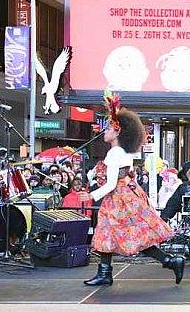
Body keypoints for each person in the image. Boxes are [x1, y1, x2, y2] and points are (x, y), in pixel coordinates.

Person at [79, 95, 184, 286]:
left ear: (117, 132)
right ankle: (169, 261)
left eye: (109, 128)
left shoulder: (113, 153)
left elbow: (111, 184)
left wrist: (91, 194)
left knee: (110, 234)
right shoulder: (124, 153)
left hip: (118, 200)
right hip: (128, 197)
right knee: (132, 236)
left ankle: (106, 273)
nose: (106, 131)